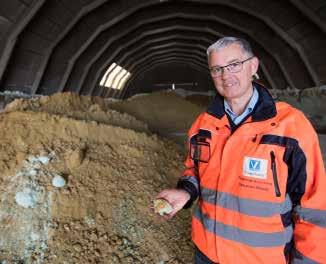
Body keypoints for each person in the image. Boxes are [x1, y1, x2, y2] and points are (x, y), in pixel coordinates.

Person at [155, 36, 326, 264]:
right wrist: (186, 191)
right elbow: (194, 171)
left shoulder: (291, 127)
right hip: (206, 253)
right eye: (217, 69)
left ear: (253, 66)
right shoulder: (203, 125)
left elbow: (314, 207)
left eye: (234, 65)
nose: (226, 76)